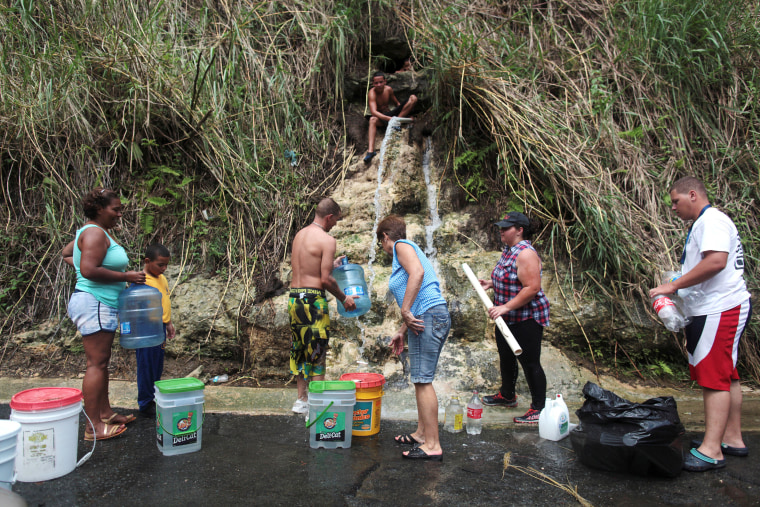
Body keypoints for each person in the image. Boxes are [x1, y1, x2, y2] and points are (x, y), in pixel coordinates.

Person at [650, 176, 752, 472]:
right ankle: (731, 438)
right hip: (715, 306)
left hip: (720, 307)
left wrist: (673, 286)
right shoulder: (706, 223)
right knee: (727, 373)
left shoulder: (712, 221)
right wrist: (679, 286)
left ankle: (711, 450)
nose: (673, 208)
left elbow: (716, 261)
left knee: (713, 376)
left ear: (692, 195)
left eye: (675, 201)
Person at [62, 188, 146, 441]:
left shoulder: (90, 232)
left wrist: (85, 269)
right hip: (95, 302)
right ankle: (93, 427)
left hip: (98, 302)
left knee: (101, 362)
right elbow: (88, 269)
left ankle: (105, 413)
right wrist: (126, 277)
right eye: (116, 209)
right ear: (99, 209)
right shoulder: (95, 233)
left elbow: (68, 255)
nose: (120, 214)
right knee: (96, 364)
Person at [378, 215, 450, 460]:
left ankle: (432, 445)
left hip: (429, 317)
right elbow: (421, 298)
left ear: (385, 237)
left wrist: (404, 310)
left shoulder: (401, 246)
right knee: (420, 379)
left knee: (422, 380)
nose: (385, 249)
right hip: (428, 316)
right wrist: (401, 329)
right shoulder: (408, 249)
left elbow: (417, 274)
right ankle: (422, 434)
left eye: (382, 244)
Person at [478, 212, 550, 424]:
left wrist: (505, 307)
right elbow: (512, 278)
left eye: (506, 227)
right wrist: (491, 284)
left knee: (530, 363)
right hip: (507, 318)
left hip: (526, 318)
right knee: (506, 357)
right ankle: (507, 395)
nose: (501, 230)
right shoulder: (509, 251)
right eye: (501, 227)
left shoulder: (526, 254)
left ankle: (539, 409)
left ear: (519, 230)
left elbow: (532, 287)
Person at [288, 198, 357, 414]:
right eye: (335, 220)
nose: (335, 224)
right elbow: (326, 280)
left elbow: (310, 267)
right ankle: (317, 404)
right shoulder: (327, 240)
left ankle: (301, 401)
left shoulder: (300, 235)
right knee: (317, 351)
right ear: (329, 217)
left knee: (299, 349)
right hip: (312, 300)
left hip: (294, 298)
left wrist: (332, 265)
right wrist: (344, 297)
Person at [136, 244, 176, 417]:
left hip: (160, 327)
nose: (164, 268)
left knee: (157, 364)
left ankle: (153, 397)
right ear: (147, 261)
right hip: (146, 329)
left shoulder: (162, 278)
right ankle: (145, 403)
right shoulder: (140, 279)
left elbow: (164, 302)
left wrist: (168, 323)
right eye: (160, 265)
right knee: (146, 365)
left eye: (166, 265)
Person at [363, 71, 417, 164]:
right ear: (373, 83)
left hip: (391, 115)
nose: (379, 85)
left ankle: (397, 123)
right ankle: (370, 151)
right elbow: (374, 112)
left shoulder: (388, 89)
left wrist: (404, 114)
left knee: (413, 98)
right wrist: (390, 119)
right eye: (376, 83)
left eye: (381, 82)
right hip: (381, 118)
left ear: (385, 81)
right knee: (372, 119)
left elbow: (397, 104)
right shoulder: (372, 93)